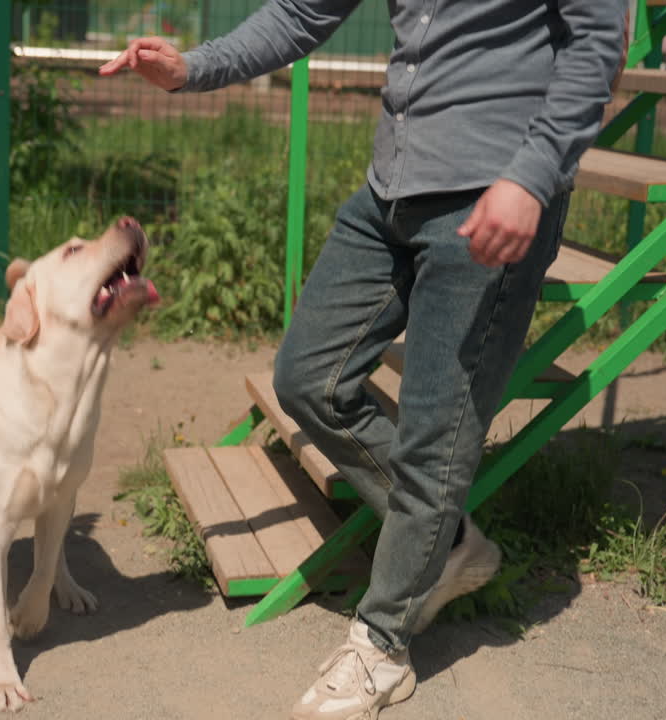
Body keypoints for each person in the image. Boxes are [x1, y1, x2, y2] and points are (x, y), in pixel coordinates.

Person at [101, 2, 626, 718]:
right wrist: (193, 68)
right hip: (391, 191)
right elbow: (300, 11)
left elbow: (598, 37)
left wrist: (533, 176)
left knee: (435, 437)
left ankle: (382, 647)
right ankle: (447, 544)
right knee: (308, 377)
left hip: (492, 191)